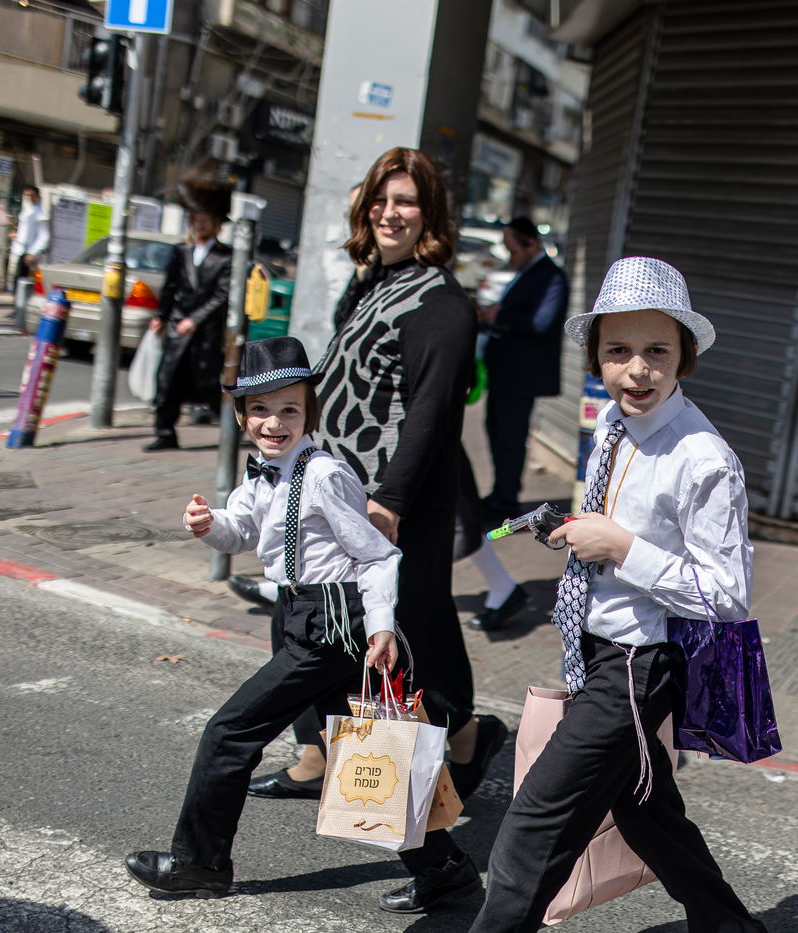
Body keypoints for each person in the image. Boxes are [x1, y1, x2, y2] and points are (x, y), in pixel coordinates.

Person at [467, 257, 766, 933]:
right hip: (599, 649)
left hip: (639, 662)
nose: (637, 368)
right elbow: (611, 526)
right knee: (646, 806)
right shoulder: (612, 425)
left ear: (683, 357)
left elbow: (726, 595)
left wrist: (622, 548)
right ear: (596, 356)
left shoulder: (703, 459)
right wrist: (577, 532)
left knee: (533, 827)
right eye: (618, 350)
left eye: (656, 350)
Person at [124, 336, 401, 898]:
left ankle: (199, 863)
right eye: (260, 410)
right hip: (303, 613)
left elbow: (378, 554)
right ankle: (442, 870)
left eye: (289, 410)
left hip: (332, 621)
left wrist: (381, 625)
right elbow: (241, 530)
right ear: (242, 415)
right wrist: (208, 526)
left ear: (309, 412)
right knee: (364, 747)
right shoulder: (265, 475)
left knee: (229, 733)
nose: (274, 423)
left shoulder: (323, 475)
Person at [305, 146, 505, 914]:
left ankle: (431, 845)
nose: (391, 213)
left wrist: (385, 502)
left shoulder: (441, 304)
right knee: (396, 647)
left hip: (394, 510)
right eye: (381, 201)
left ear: (431, 216)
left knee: (388, 666)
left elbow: (430, 418)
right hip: (348, 499)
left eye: (407, 202)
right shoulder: (371, 285)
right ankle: (461, 741)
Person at [477, 217, 568, 520]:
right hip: (505, 374)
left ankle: (505, 501)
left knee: (510, 438)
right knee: (497, 431)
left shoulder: (551, 277)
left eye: (512, 249)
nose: (509, 256)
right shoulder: (528, 272)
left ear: (531, 244)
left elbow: (542, 323)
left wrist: (500, 315)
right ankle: (501, 493)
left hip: (521, 376)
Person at [144, 178, 234, 451]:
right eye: (197, 219)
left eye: (206, 219)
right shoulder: (180, 251)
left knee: (208, 383)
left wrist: (194, 320)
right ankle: (165, 433)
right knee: (167, 381)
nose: (201, 224)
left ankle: (232, 426)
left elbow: (222, 295)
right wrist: (161, 315)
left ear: (217, 223)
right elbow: (170, 286)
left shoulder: (227, 256)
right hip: (176, 328)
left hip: (205, 333)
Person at [8, 185, 48, 291]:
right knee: (17, 282)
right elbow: (24, 232)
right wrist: (16, 235)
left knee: (23, 284)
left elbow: (44, 236)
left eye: (32, 195)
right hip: (19, 250)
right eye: (26, 195)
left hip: (28, 254)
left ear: (37, 197)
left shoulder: (39, 214)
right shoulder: (26, 211)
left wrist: (32, 253)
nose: (29, 198)